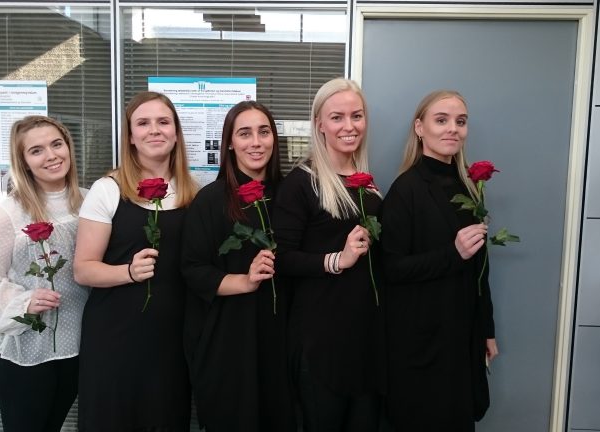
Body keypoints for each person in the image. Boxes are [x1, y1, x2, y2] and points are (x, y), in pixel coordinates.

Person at [73, 91, 198, 431]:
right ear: (130, 136)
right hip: (115, 338)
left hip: (171, 341)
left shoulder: (193, 193)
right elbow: (83, 269)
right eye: (143, 123)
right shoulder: (108, 189)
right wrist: (128, 272)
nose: (154, 130)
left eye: (163, 122)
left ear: (176, 133)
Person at [380, 90, 498, 431]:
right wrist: (452, 254)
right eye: (441, 120)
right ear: (420, 128)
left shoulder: (469, 188)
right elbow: (392, 268)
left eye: (460, 122)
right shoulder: (405, 190)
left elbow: (480, 270)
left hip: (461, 336)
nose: (452, 129)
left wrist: (486, 330)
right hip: (421, 340)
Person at [272, 78, 384, 432]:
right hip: (321, 341)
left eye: (357, 116)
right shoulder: (301, 183)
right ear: (319, 123)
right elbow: (282, 259)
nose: (349, 126)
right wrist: (338, 259)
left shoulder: (367, 183)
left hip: (364, 339)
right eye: (337, 117)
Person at [181, 101, 296, 432]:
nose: (256, 142)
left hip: (282, 338)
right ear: (229, 143)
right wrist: (244, 281)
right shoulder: (210, 200)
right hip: (229, 340)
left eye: (264, 132)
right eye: (244, 134)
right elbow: (192, 269)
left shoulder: (292, 194)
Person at [0, 115, 89, 432]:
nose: (51, 156)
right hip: (25, 353)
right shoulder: (7, 213)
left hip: (75, 350)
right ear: (23, 161)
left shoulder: (90, 201)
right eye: (36, 150)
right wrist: (24, 301)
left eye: (56, 144)